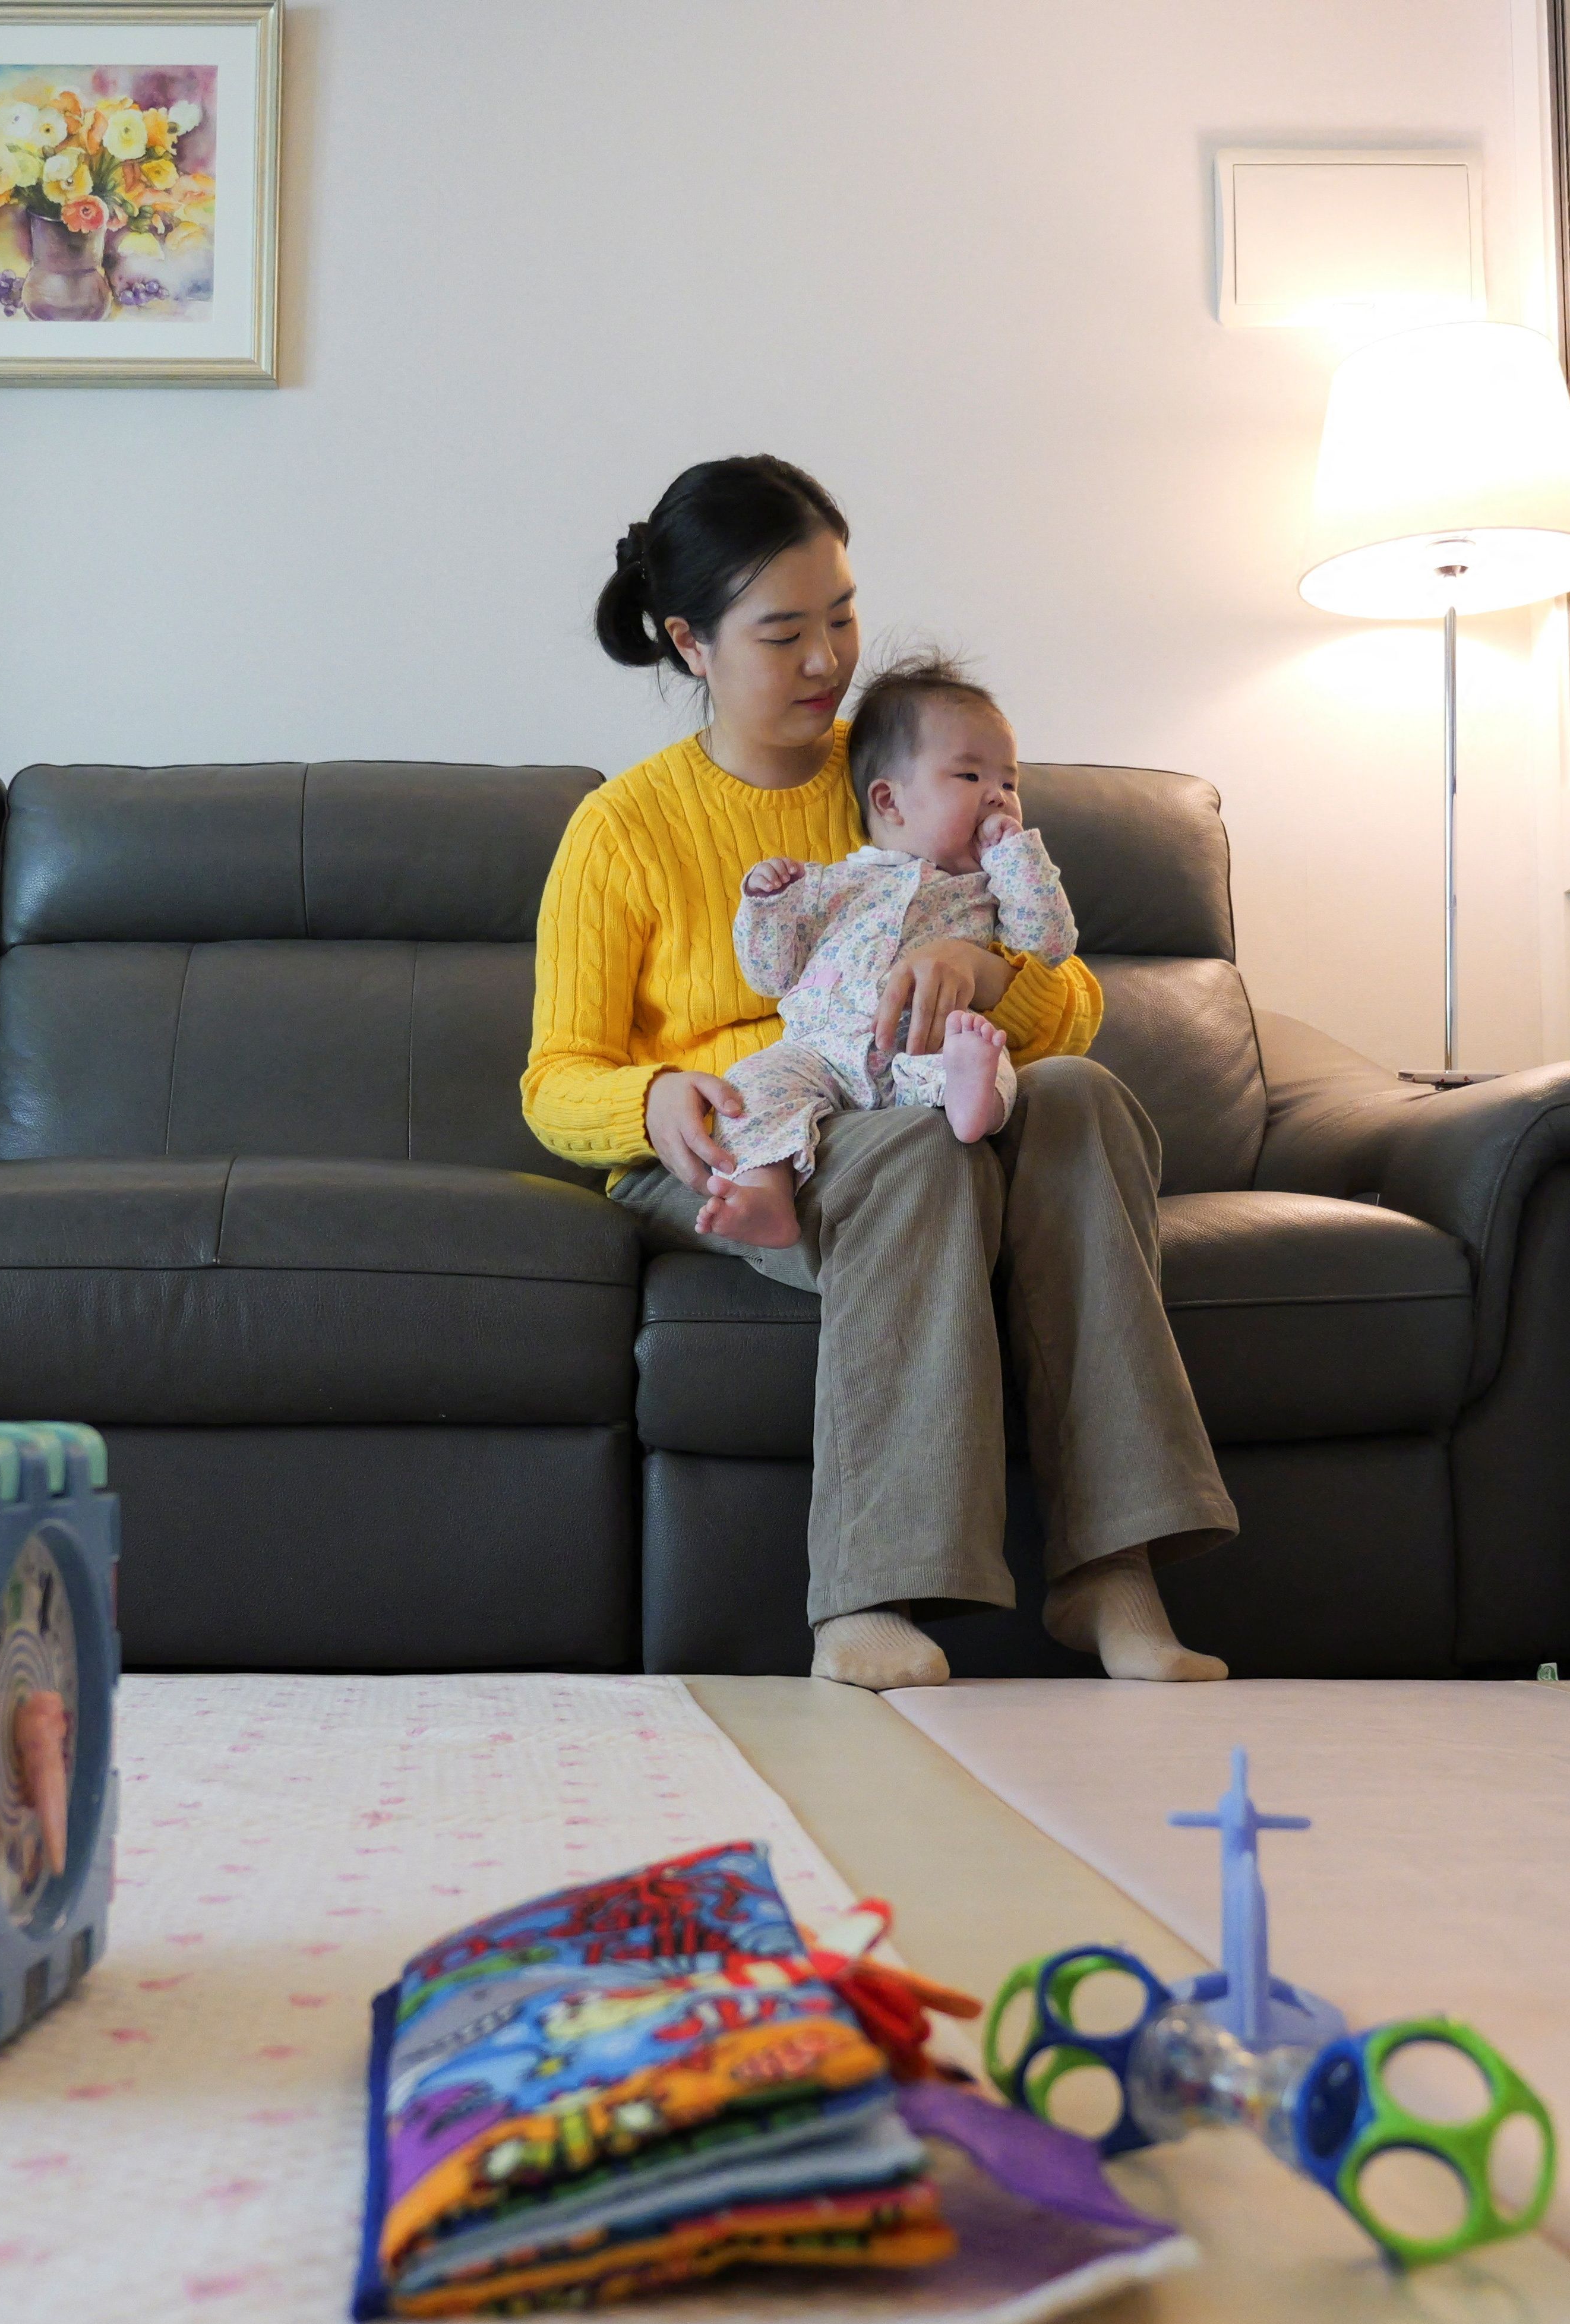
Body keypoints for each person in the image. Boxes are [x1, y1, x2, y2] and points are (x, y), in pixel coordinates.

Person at [522, 454, 1238, 1690]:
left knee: (1081, 1097)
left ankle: (1110, 1574)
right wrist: (650, 1099)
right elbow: (554, 1078)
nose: (826, 659)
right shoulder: (623, 831)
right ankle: (863, 1597)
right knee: (915, 1156)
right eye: (783, 632)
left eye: (841, 617)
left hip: (927, 1095)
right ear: (690, 643)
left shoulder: (916, 764)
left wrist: (976, 959)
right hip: (754, 1139)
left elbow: (1071, 999)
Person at [696, 654, 1064, 1250]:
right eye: (971, 778)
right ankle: (765, 1193)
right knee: (750, 1084)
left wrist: (1014, 854)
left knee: (979, 1052)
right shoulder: (835, 883)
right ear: (889, 802)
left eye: (1009, 783)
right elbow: (770, 974)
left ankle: (975, 1107)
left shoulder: (989, 891)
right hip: (820, 1056)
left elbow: (1047, 945)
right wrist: (769, 903)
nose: (997, 797)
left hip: (920, 1051)